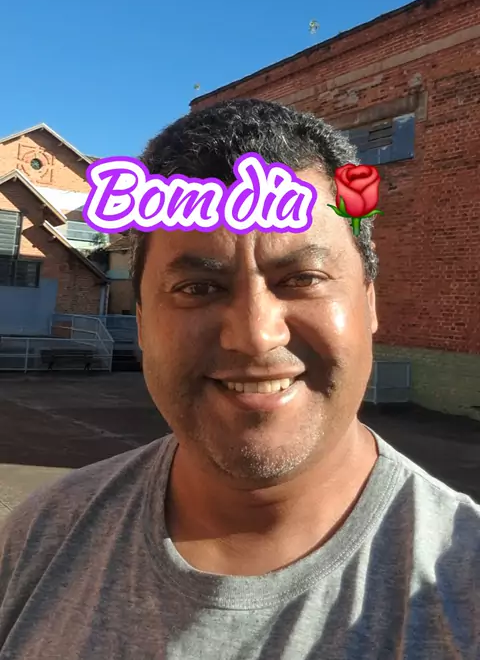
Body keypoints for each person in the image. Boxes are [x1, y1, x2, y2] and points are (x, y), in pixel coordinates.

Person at [0, 99, 478, 659]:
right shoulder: (38, 540)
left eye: (302, 278)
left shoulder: (462, 584)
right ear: (142, 320)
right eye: (198, 288)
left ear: (369, 302)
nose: (255, 335)